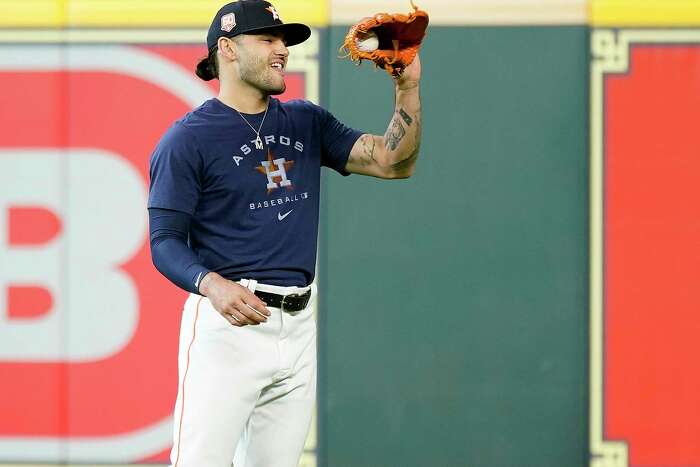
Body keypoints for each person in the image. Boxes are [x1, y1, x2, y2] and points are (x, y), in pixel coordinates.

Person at [147, 0, 422, 465]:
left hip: (296, 326)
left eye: (284, 41)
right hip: (228, 326)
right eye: (268, 39)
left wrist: (408, 86)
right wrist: (211, 285)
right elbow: (164, 240)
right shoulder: (187, 139)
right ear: (228, 49)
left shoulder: (304, 120)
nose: (282, 50)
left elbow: (392, 162)